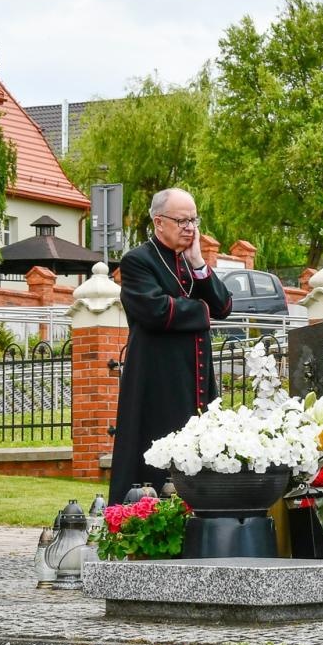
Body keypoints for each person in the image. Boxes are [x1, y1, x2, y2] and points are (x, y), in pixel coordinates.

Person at [108, 187, 233, 504]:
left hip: (195, 380)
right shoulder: (137, 261)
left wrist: (200, 263)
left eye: (193, 220)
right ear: (159, 221)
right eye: (182, 220)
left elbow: (223, 306)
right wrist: (201, 310)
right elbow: (156, 310)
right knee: (155, 457)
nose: (190, 227)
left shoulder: (191, 262)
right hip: (157, 380)